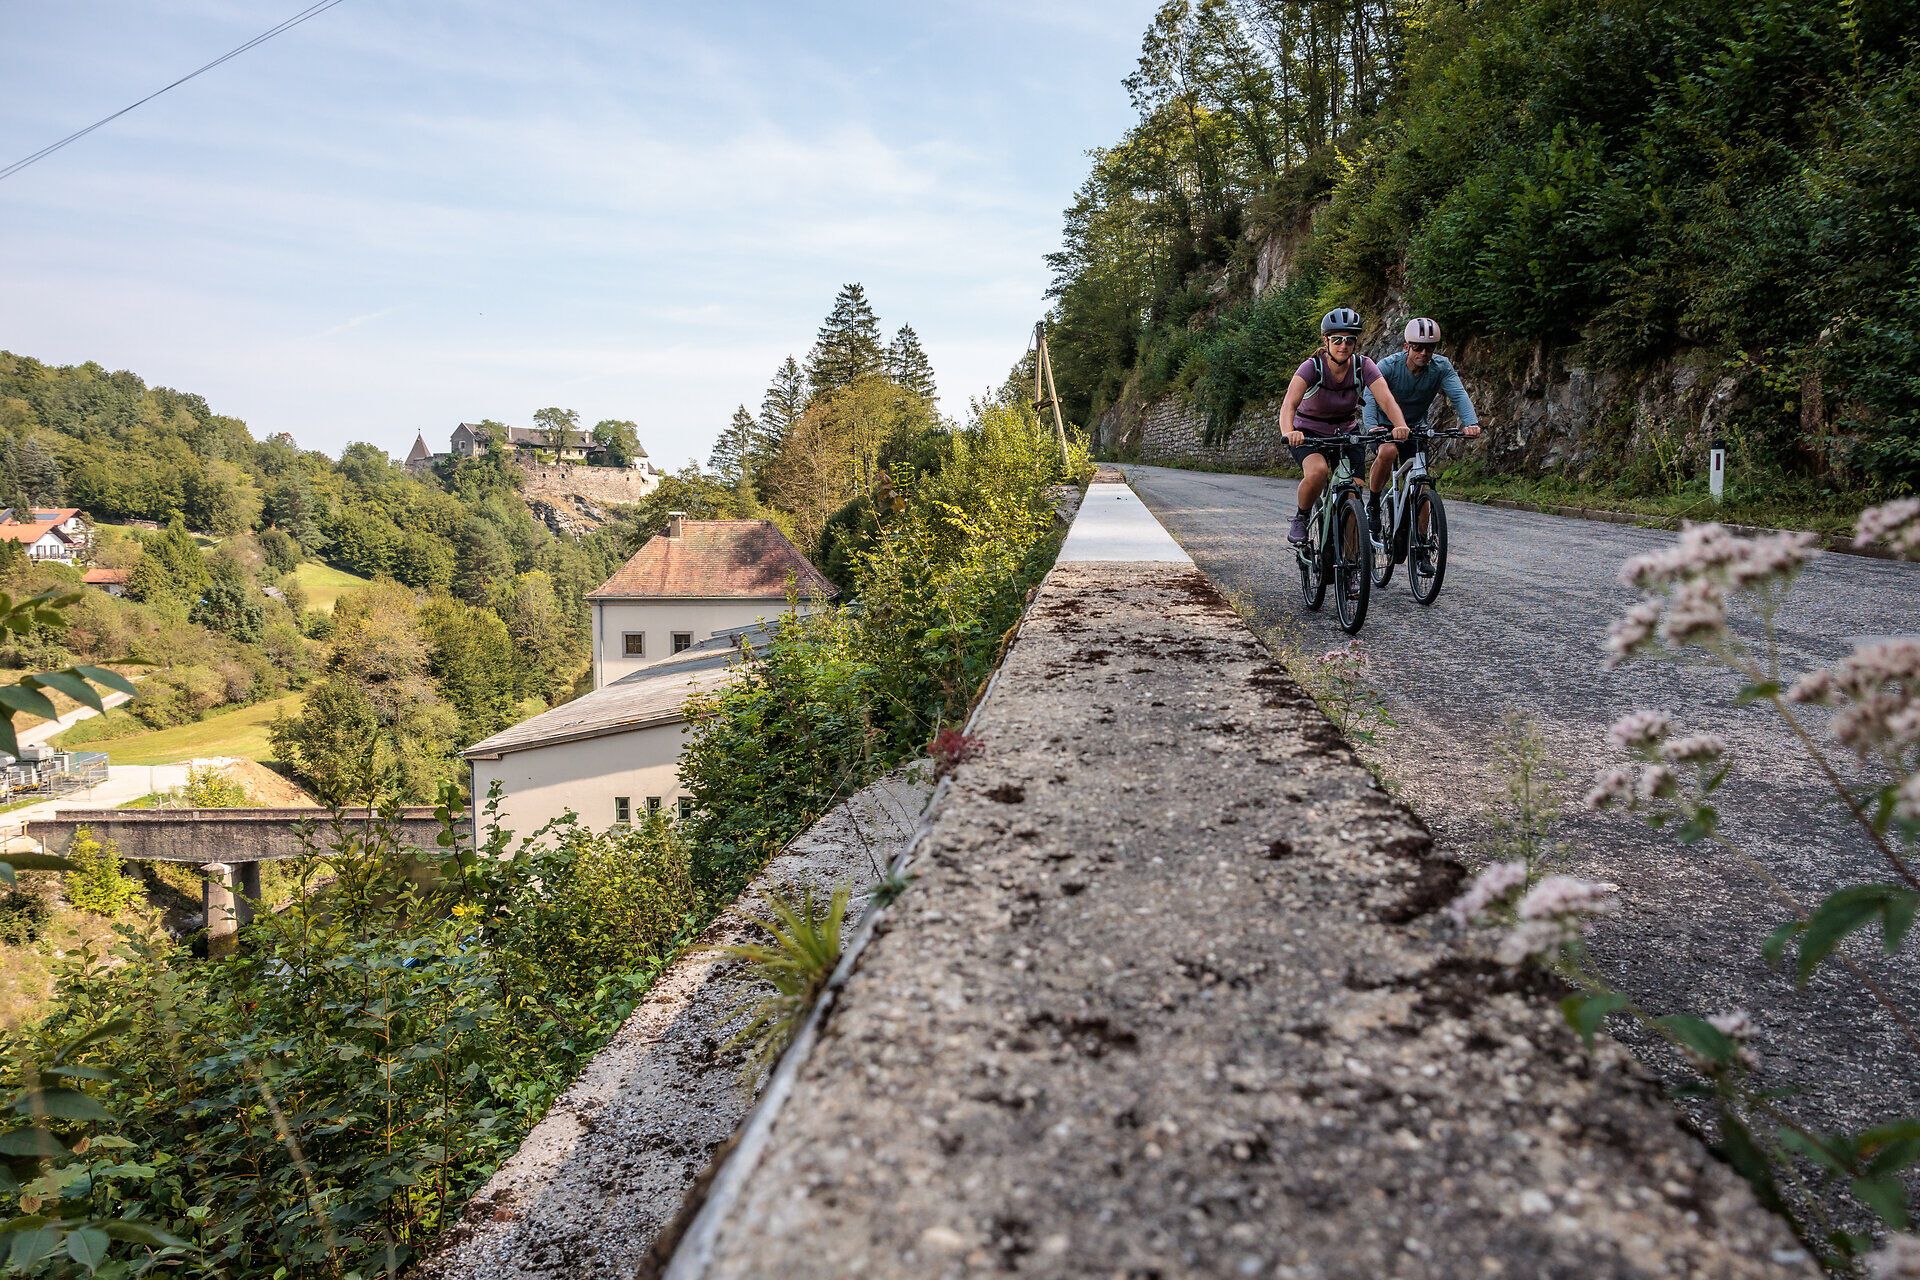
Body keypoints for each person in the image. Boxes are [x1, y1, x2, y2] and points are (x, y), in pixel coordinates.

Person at [1280, 308, 1412, 545]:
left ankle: (1352, 563)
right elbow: (1289, 404)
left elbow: (1386, 399)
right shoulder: (1312, 367)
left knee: (1352, 493)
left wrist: (1400, 425)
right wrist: (1290, 432)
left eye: (1350, 340)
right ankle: (1301, 516)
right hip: (1309, 433)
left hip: (1346, 433)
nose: (1344, 345)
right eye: (1337, 339)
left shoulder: (1363, 366)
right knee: (1318, 472)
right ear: (1326, 341)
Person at [1361, 317, 1484, 532]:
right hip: (1384, 426)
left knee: (1422, 485)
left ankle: (1423, 547)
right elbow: (1370, 397)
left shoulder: (1441, 367)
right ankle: (1373, 501)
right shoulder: (1388, 367)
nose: (1424, 354)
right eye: (1418, 348)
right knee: (1388, 452)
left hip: (1415, 428)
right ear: (1406, 346)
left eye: (1429, 348)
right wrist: (1373, 427)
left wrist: (1470, 422)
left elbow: (1458, 394)